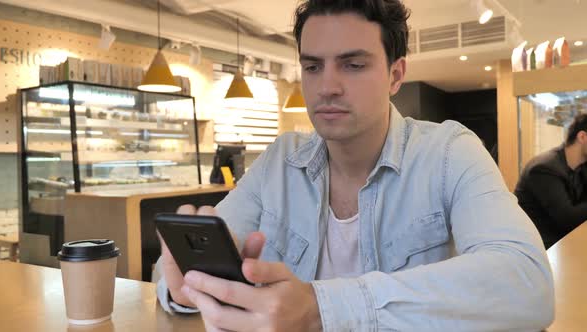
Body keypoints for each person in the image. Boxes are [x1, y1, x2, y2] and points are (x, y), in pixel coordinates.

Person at [153, 0, 555, 330]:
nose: (326, 86)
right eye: (312, 67)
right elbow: (169, 275)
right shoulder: (279, 162)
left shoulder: (450, 152)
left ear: (396, 75)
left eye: (353, 65)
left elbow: (526, 283)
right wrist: (189, 286)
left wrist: (320, 307)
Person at [515, 114, 587, 249]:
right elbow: (568, 218)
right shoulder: (543, 168)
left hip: (564, 244)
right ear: (582, 137)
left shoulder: (580, 167)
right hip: (541, 249)